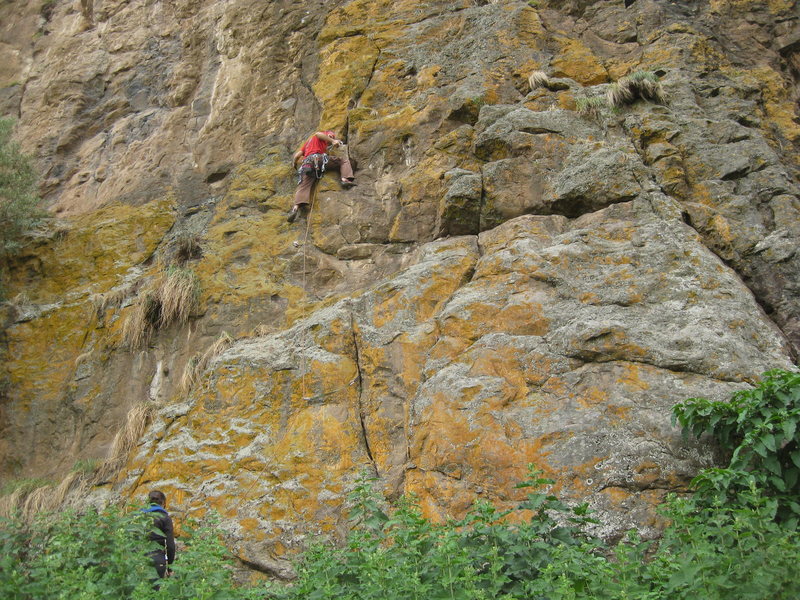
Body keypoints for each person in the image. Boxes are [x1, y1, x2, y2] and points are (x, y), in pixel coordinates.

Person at [288, 130, 355, 223]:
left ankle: (295, 208)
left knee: (303, 186)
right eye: (331, 136)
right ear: (327, 134)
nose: (330, 139)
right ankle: (345, 179)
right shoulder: (320, 136)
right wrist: (333, 141)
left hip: (306, 165)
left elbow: (297, 155)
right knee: (343, 161)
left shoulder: (308, 143)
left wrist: (294, 164)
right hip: (317, 159)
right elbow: (318, 134)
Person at [141, 489, 176, 581]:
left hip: (138, 559)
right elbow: (170, 546)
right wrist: (170, 567)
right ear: (163, 503)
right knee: (153, 592)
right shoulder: (165, 518)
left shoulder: (139, 516)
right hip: (157, 559)